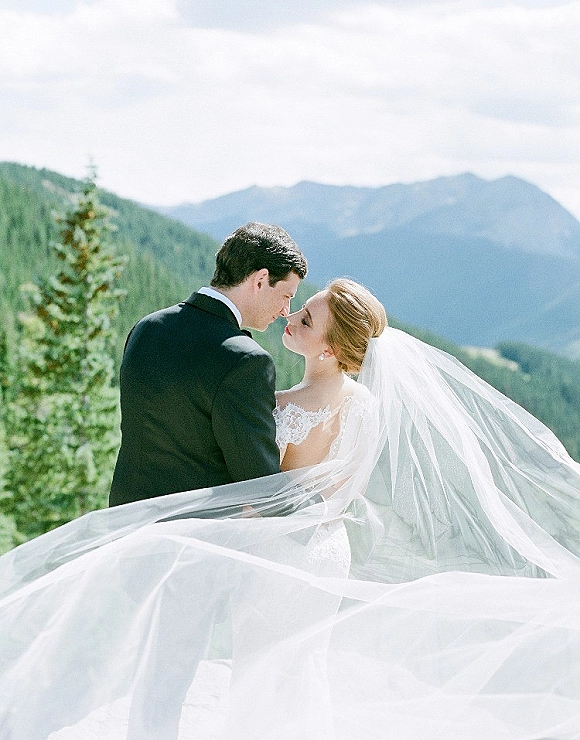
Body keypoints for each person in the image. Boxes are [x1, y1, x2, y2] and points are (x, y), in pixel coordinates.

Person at [2, 280, 580, 740]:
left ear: (329, 348)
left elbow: (274, 491)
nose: (290, 317)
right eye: (297, 308)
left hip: (282, 551)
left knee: (262, 667)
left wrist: (231, 518)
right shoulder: (354, 403)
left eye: (305, 318)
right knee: (294, 664)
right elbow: (334, 487)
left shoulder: (289, 404)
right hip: (320, 550)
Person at [109, 220, 307, 507]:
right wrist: (323, 508)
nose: (285, 310)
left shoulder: (146, 328)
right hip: (195, 528)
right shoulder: (245, 361)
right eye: (286, 295)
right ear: (261, 280)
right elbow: (261, 485)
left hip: (126, 520)